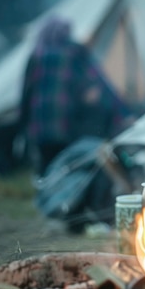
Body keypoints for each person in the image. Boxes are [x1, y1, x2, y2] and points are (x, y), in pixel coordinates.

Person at [19, 16, 134, 176]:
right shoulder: (74, 53)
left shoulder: (36, 56)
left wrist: (23, 126)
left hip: (40, 130)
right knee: (68, 170)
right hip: (68, 128)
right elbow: (101, 84)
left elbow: (26, 95)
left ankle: (47, 196)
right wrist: (123, 114)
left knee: (47, 172)